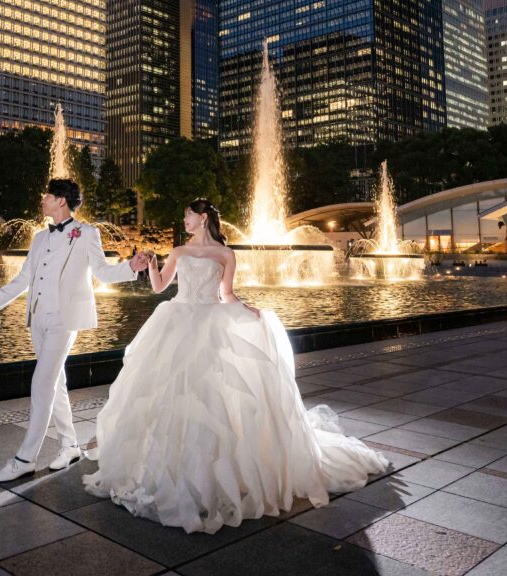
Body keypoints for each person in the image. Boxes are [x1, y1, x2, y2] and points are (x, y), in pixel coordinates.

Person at [83, 198, 390, 534]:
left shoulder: (226, 254)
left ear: (202, 218)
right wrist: (153, 266)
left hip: (209, 323)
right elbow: (159, 287)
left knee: (211, 396)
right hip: (177, 320)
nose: (184, 220)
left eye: (187, 215)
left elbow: (226, 294)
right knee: (170, 392)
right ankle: (169, 464)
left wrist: (250, 311)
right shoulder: (179, 251)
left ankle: (209, 470)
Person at [0, 179, 149, 483]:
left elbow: (102, 272)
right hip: (37, 318)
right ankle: (69, 446)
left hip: (64, 319)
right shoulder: (40, 238)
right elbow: (23, 279)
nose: (42, 199)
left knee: (42, 383)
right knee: (56, 382)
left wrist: (131, 267)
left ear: (61, 201)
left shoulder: (87, 233)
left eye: (47, 196)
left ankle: (25, 459)